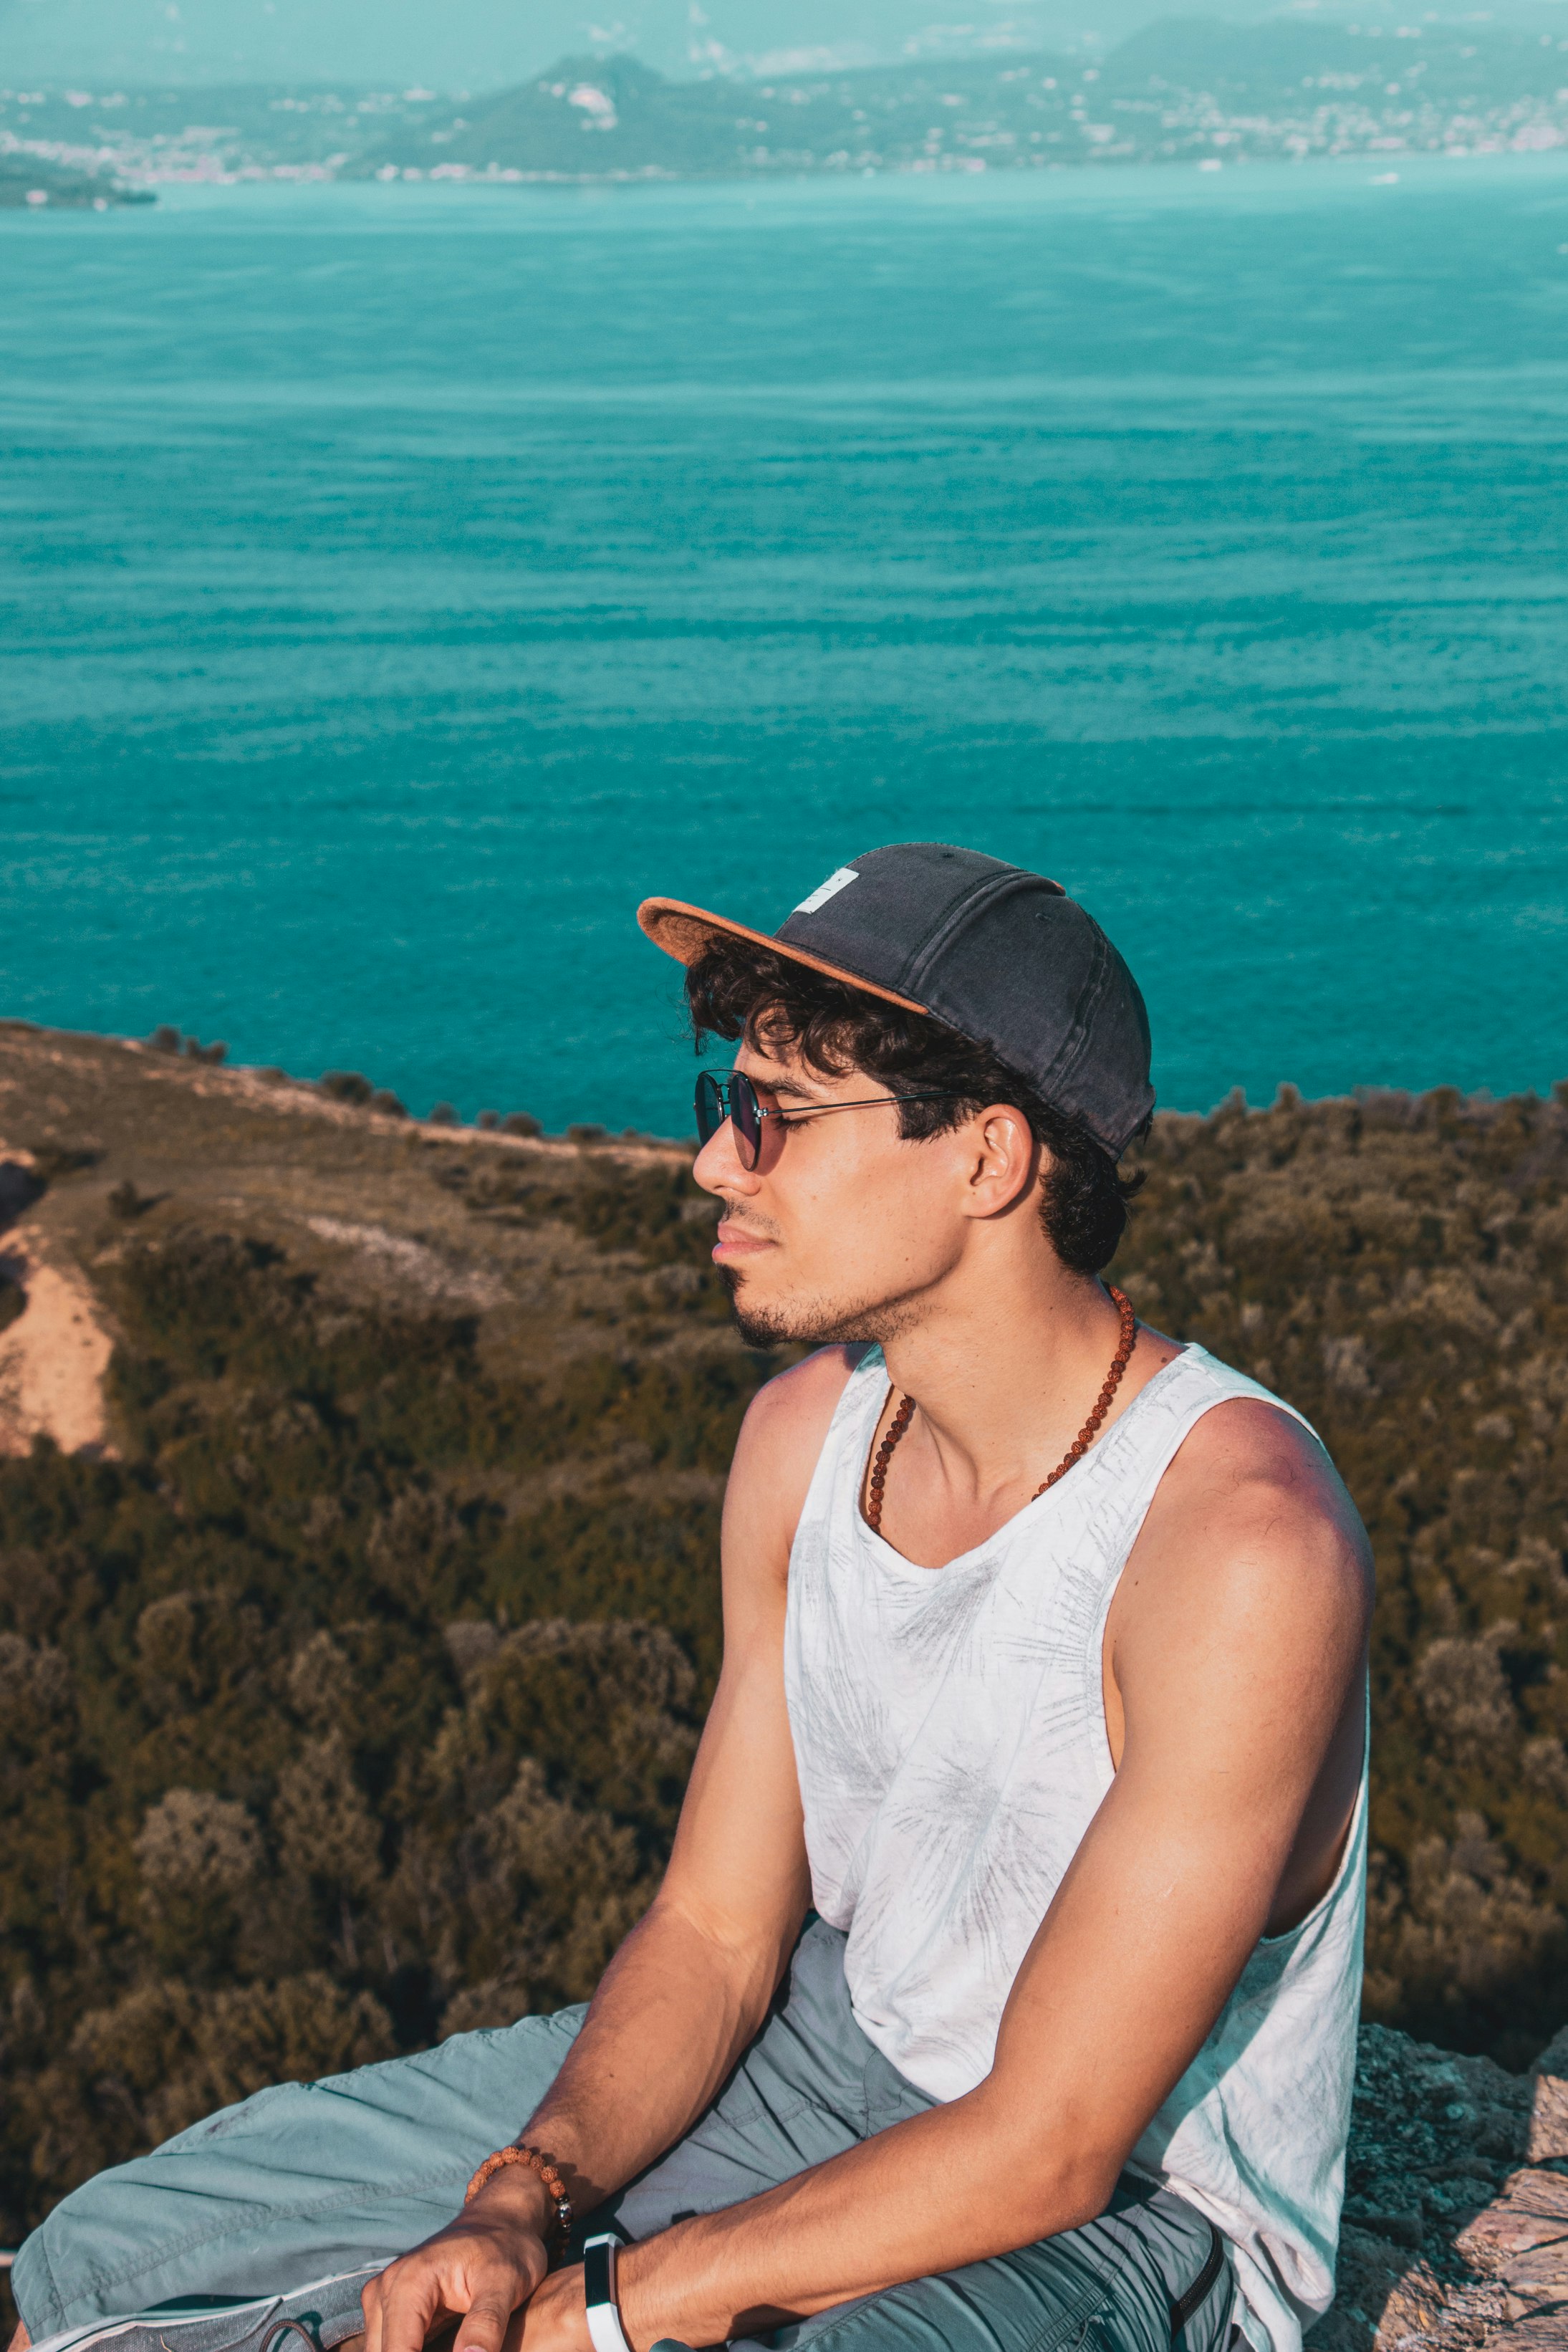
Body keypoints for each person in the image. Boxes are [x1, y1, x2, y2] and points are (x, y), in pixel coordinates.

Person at [11, 843, 1371, 2352]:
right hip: (816, 2050)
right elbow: (721, 1930)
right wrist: (521, 2197)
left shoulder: (1238, 1546)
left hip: (1129, 2210)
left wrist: (592, 2313)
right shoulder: (802, 1444)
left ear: (987, 1158)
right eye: (726, 1104)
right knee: (107, 2259)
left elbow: (1047, 2141)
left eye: (773, 1115)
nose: (716, 1162)